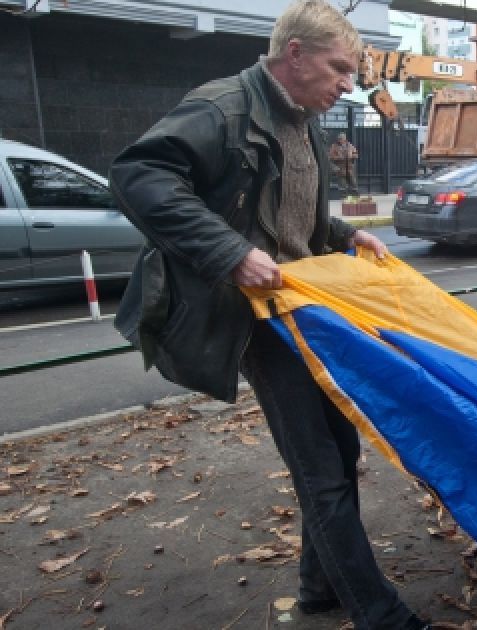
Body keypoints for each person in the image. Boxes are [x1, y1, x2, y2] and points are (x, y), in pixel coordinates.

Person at [109, 2, 428, 628]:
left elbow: (288, 216)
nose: (347, 83)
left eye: (352, 72)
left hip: (302, 306)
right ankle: (380, 614)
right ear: (295, 56)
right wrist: (229, 254)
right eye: (339, 68)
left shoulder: (305, 120)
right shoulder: (223, 108)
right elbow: (137, 175)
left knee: (339, 451)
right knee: (319, 468)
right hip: (253, 316)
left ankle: (318, 589)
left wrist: (342, 236)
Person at [329, 132, 359, 197]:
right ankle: (344, 196)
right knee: (342, 183)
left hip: (350, 168)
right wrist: (339, 157)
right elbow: (331, 156)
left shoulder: (350, 145)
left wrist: (352, 156)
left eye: (342, 138)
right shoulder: (334, 146)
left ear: (345, 139)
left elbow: (356, 154)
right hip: (340, 168)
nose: (340, 140)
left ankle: (355, 195)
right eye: (339, 139)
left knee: (353, 182)